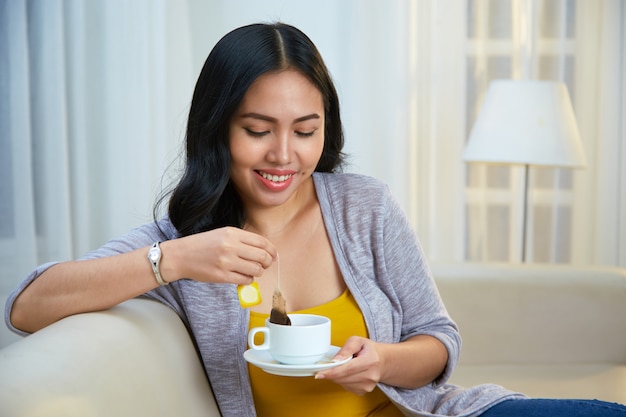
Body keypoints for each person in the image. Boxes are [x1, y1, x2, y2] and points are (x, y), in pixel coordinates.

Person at [5, 22, 626, 417]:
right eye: (257, 130)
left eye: (306, 130)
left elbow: (439, 343)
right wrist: (172, 262)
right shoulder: (185, 237)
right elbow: (27, 307)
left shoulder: (365, 205)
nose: (285, 156)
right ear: (217, 130)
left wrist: (381, 361)